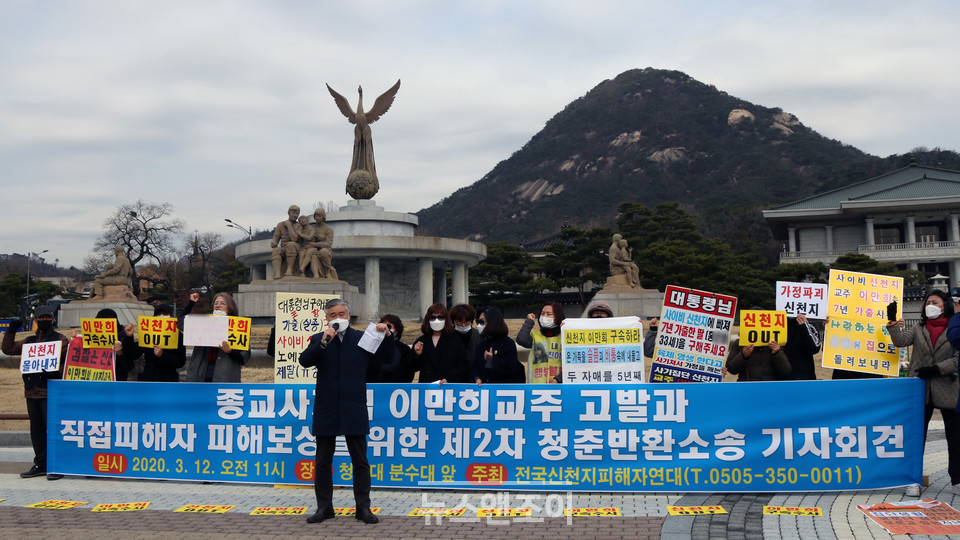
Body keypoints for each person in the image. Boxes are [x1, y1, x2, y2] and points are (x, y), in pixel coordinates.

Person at [298, 299, 388, 524]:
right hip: (326, 406)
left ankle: (363, 508)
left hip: (353, 405)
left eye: (341, 313)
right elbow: (304, 361)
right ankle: (324, 508)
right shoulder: (320, 338)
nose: (337, 317)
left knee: (359, 460)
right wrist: (322, 343)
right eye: (331, 315)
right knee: (322, 461)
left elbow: (382, 364)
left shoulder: (362, 338)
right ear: (326, 318)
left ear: (349, 315)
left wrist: (386, 337)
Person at [889, 291, 960, 495]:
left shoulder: (954, 328)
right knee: (916, 435)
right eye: (928, 302)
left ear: (945, 305)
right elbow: (901, 341)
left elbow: (957, 358)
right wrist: (893, 322)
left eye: (934, 302)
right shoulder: (919, 327)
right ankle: (913, 478)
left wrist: (938, 368)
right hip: (921, 387)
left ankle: (957, 478)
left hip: (948, 385)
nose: (930, 305)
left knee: (955, 436)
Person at [2, 306, 70, 480]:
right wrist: (11, 330)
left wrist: (54, 368)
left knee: (53, 430)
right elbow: (8, 349)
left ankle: (57, 465)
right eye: (41, 318)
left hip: (51, 392)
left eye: (48, 317)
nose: (44, 320)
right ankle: (40, 463)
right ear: (36, 320)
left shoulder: (60, 340)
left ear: (53, 320)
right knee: (36, 431)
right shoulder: (29, 341)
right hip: (31, 391)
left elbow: (67, 358)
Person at [185, 292, 250, 383]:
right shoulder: (202, 322)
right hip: (200, 374)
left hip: (225, 376)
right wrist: (191, 303)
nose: (218, 305)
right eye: (216, 303)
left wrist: (230, 351)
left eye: (222, 303)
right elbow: (180, 324)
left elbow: (244, 357)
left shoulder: (238, 327)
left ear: (230, 308)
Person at [125, 303, 187, 382]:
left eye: (165, 314)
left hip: (168, 379)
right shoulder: (148, 333)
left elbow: (181, 361)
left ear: (171, 317)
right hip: (149, 379)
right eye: (159, 314)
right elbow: (134, 354)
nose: (161, 316)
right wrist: (129, 337)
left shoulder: (178, 335)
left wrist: (163, 355)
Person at [412, 303, 470, 383]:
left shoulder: (455, 340)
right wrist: (417, 355)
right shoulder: (421, 341)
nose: (437, 320)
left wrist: (449, 379)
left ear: (446, 319)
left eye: (440, 317)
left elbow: (462, 364)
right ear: (428, 319)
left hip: (448, 386)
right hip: (427, 387)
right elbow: (413, 367)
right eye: (433, 317)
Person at [473, 307, 524, 385]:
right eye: (478, 322)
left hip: (503, 392)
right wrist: (477, 377)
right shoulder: (483, 344)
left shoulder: (507, 343)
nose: (479, 325)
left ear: (492, 322)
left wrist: (492, 360)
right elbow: (475, 366)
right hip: (485, 391)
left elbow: (511, 368)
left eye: (482, 322)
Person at [516, 302, 565, 383]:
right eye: (542, 314)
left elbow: (572, 364)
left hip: (560, 386)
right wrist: (529, 321)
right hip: (537, 387)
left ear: (558, 316)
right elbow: (521, 340)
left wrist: (558, 379)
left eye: (549, 314)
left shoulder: (564, 336)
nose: (544, 317)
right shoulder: (535, 335)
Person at [94, 308, 138, 381]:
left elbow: (128, 367)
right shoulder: (91, 338)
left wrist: (120, 354)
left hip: (117, 382)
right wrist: (75, 341)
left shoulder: (124, 338)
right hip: (96, 382)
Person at [725, 334, 792, 381]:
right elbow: (731, 369)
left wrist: (777, 353)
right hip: (746, 387)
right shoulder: (740, 342)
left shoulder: (776, 344)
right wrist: (743, 355)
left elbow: (786, 371)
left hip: (771, 387)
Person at [374, 314, 415, 383]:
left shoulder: (405, 349)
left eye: (388, 326)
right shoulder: (374, 346)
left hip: (396, 388)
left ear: (397, 330)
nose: (385, 328)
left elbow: (409, 372)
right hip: (375, 387)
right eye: (383, 326)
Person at [299, 208, 338, 280]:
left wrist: (314, 244)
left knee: (324, 252)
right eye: (316, 216)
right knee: (311, 254)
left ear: (323, 217)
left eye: (319, 216)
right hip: (312, 250)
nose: (317, 218)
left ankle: (327, 273)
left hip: (325, 250)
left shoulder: (328, 229)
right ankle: (309, 273)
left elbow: (328, 243)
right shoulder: (311, 228)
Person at [782, 314, 821, 380]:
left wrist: (804, 326)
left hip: (804, 377)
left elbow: (814, 348)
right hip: (779, 378)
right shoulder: (776, 321)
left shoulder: (809, 323)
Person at [270, 205, 301, 279]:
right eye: (293, 213)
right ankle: (277, 273)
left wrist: (289, 225)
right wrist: (274, 242)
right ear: (288, 213)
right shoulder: (280, 225)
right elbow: (276, 237)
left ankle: (290, 269)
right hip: (284, 247)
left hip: (297, 247)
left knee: (290, 244)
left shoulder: (299, 225)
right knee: (276, 250)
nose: (295, 215)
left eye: (297, 213)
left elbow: (294, 238)